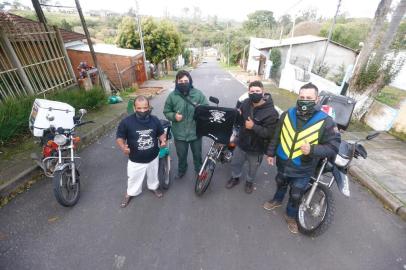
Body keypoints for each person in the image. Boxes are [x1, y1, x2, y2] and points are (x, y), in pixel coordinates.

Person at [263, 82, 340, 234]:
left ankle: (290, 216)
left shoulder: (326, 121)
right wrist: (270, 153)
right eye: (302, 97)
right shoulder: (286, 114)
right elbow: (276, 136)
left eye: (309, 98)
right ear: (298, 97)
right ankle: (277, 200)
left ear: (317, 100)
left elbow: (333, 146)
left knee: (296, 193)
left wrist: (313, 149)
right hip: (283, 163)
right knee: (280, 182)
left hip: (304, 168)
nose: (305, 100)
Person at [225, 80, 279, 193]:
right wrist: (238, 115)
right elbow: (241, 122)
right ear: (248, 92)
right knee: (235, 163)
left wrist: (254, 126)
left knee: (253, 168)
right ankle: (235, 178)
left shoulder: (272, 112)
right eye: (252, 91)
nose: (255, 93)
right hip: (242, 143)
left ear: (263, 92)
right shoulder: (246, 103)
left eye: (257, 91)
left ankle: (249, 182)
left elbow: (269, 133)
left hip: (257, 148)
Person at [116, 96, 166, 208]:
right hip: (135, 159)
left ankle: (154, 188)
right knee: (133, 178)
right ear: (134, 108)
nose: (142, 111)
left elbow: (161, 133)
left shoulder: (155, 120)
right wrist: (123, 147)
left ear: (149, 107)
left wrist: (163, 140)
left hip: (153, 156)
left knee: (153, 176)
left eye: (145, 108)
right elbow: (120, 137)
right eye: (139, 108)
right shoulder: (126, 122)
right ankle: (129, 194)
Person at [163, 70, 208, 179]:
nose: (183, 83)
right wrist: (174, 116)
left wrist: (200, 110)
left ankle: (199, 170)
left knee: (197, 155)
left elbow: (207, 108)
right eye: (181, 81)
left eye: (186, 81)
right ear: (177, 82)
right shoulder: (172, 96)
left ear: (190, 81)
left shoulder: (198, 94)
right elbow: (166, 111)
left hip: (195, 132)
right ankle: (182, 170)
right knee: (181, 155)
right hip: (179, 133)